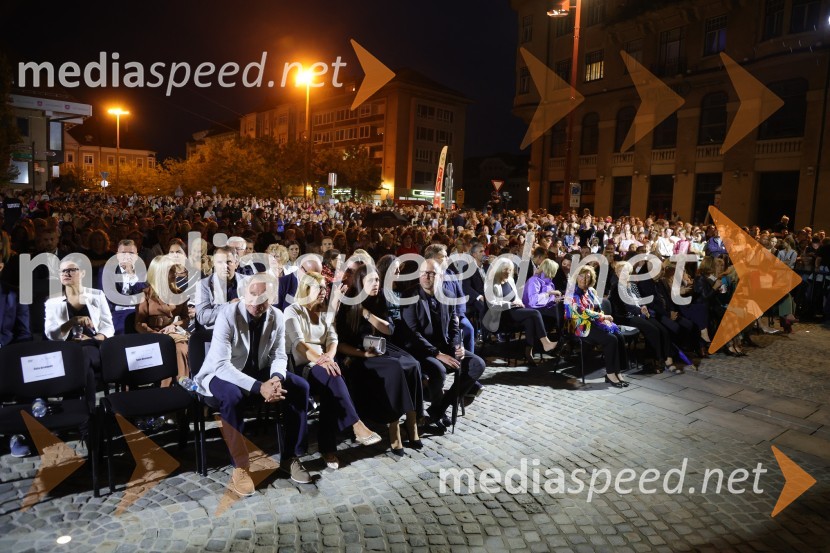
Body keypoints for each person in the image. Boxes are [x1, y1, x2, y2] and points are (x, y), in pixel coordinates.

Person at [193, 273, 313, 495]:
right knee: (233, 396)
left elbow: (279, 355)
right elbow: (221, 365)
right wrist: (260, 387)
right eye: (252, 294)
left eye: (263, 296)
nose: (256, 301)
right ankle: (241, 467)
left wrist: (276, 378)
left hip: (259, 369)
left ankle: (290, 457)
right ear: (243, 293)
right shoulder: (227, 315)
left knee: (300, 387)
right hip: (221, 373)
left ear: (272, 298)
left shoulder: (277, 316)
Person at [284, 272, 382, 469]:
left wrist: (328, 356)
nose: (323, 291)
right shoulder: (293, 310)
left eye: (325, 287)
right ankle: (354, 427)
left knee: (332, 383)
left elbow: (333, 339)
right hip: (302, 365)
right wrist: (321, 360)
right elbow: (299, 344)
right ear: (306, 289)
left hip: (324, 363)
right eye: (319, 287)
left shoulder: (324, 312)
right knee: (333, 376)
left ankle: (330, 448)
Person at [335, 264, 424, 455]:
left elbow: (389, 329)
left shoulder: (380, 297)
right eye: (371, 280)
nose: (376, 283)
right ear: (360, 282)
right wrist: (363, 354)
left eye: (377, 279)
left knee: (413, 364)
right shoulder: (349, 302)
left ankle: (412, 422)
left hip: (381, 346)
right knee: (394, 369)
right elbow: (340, 344)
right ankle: (394, 429)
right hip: (358, 353)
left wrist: (366, 314)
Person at [403, 259, 485, 433]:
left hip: (445, 346)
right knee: (438, 370)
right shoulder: (410, 295)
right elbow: (413, 334)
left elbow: (454, 326)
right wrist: (437, 354)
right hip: (421, 350)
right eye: (424, 273)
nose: (427, 277)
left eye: (432, 273)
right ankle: (438, 409)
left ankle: (438, 409)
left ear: (440, 276)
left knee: (477, 364)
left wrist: (457, 345)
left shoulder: (448, 295)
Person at [483, 258, 558, 365]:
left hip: (514, 311)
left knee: (529, 320)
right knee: (535, 313)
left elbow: (516, 297)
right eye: (505, 269)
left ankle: (529, 350)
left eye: (510, 270)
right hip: (500, 315)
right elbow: (492, 305)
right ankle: (545, 343)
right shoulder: (491, 284)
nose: (508, 272)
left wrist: (519, 302)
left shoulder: (510, 280)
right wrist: (511, 304)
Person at [564, 265, 629, 387]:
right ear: (576, 277)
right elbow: (581, 312)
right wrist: (602, 317)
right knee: (611, 339)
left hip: (594, 322)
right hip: (579, 326)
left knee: (619, 336)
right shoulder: (571, 292)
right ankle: (610, 373)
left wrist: (604, 319)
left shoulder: (590, 291)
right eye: (581, 276)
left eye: (588, 277)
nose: (584, 279)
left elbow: (598, 308)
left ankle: (617, 371)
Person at [135, 255, 190, 383]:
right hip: (152, 335)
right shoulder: (145, 294)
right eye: (170, 271)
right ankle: (165, 389)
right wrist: (154, 334)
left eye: (174, 270)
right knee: (165, 349)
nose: (174, 274)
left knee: (181, 349)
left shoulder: (179, 294)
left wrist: (175, 325)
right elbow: (139, 323)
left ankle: (183, 384)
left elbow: (186, 318)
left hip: (173, 333)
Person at [0, 258, 33, 457]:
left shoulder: (15, 294)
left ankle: (17, 433)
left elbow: (24, 334)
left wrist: (8, 353)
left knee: (24, 367)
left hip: (6, 354)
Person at [196, 246, 240, 329]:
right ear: (214, 264)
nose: (225, 266)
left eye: (229, 262)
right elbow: (202, 317)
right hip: (214, 332)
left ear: (236, 263)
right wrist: (230, 306)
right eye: (220, 262)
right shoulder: (203, 285)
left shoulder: (248, 282)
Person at [522, 258, 564, 338]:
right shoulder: (534, 281)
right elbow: (533, 301)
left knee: (563, 306)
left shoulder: (549, 282)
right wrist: (549, 293)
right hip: (534, 310)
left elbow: (548, 300)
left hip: (545, 308)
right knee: (560, 310)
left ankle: (564, 335)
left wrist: (556, 300)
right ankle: (561, 336)